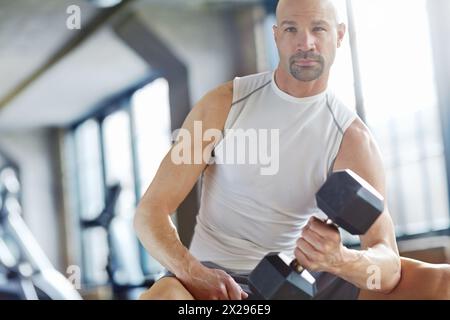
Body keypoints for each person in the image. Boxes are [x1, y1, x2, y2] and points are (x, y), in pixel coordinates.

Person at [134, 0, 401, 300]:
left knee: (439, 279)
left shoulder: (353, 140)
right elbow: (149, 213)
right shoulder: (224, 104)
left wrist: (340, 258)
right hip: (211, 280)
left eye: (318, 28)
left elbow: (388, 265)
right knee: (164, 297)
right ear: (276, 36)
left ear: (339, 35)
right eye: (291, 29)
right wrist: (194, 273)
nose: (305, 43)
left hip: (295, 285)